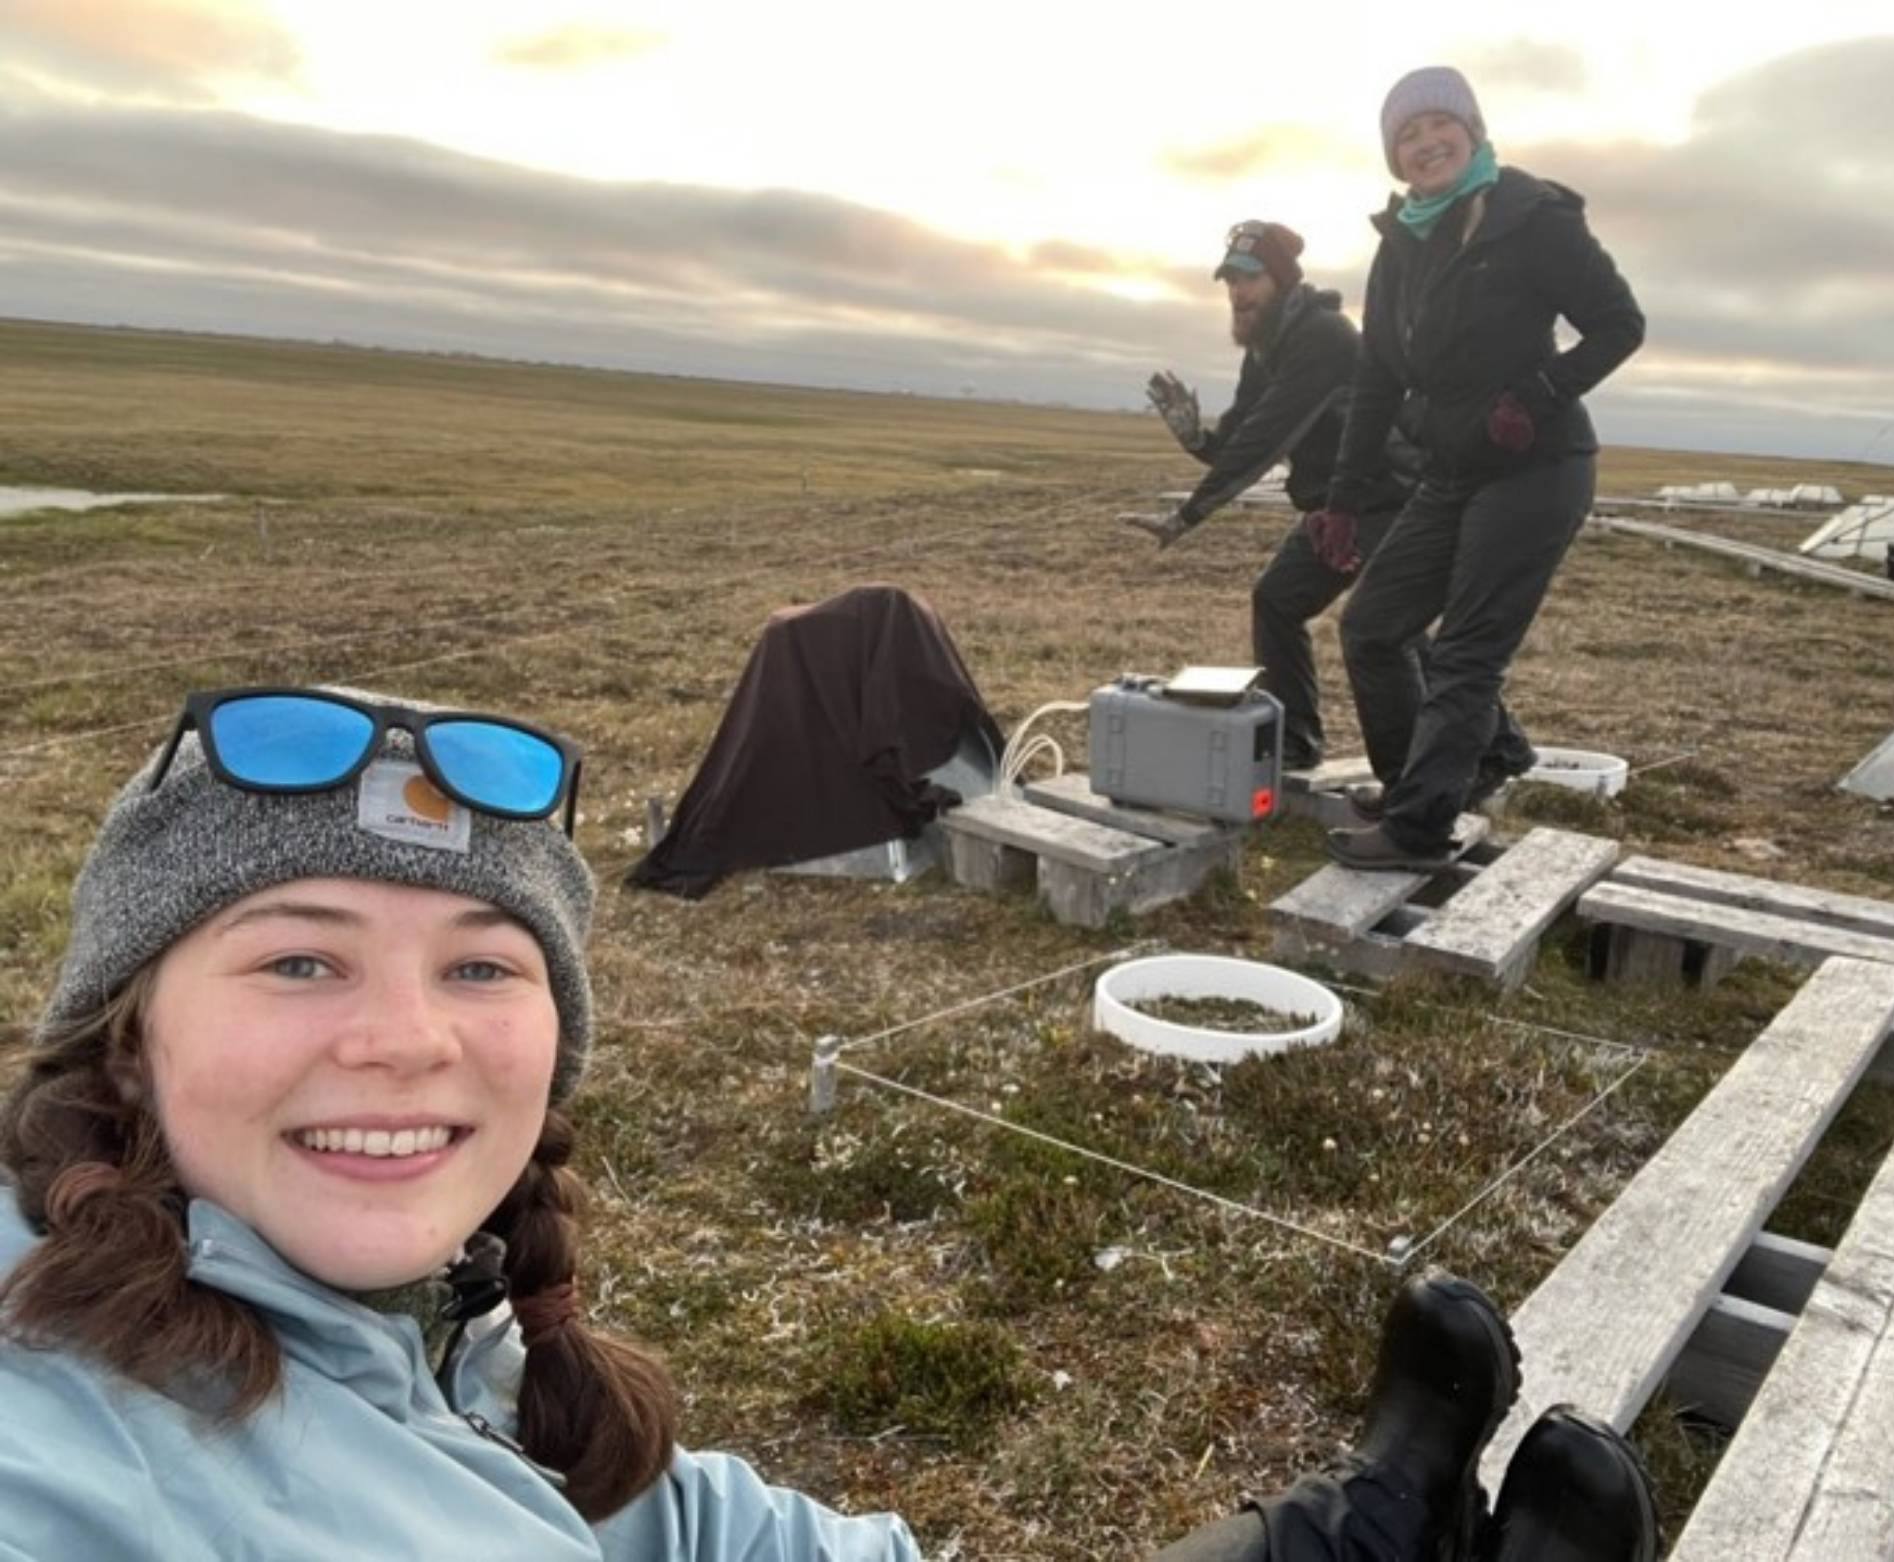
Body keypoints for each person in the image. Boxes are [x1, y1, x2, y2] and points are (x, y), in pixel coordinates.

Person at [0, 685, 1657, 1560]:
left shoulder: (442, 1338)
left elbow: (719, 1536)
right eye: (299, 956)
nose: (405, 1038)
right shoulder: (68, 1447)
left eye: (481, 963)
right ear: (129, 1035)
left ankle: (1353, 1532)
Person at [1318, 66, 1644, 871]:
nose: (1426, 144)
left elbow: (1618, 323)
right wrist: (1342, 500)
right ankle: (1418, 786)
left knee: (1464, 652)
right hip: (1450, 471)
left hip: (1539, 466)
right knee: (1373, 625)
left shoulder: (1534, 217)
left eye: (1440, 128)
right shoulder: (1400, 245)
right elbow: (1376, 379)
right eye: (1407, 136)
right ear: (1394, 155)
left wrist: (1539, 392)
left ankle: (1421, 829)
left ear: (1472, 132)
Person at [1122, 221, 1403, 771]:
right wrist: (1197, 438)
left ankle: (1461, 763)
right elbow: (1236, 440)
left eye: (1250, 278)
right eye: (1230, 280)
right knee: (1277, 600)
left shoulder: (1322, 336)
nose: (1237, 293)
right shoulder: (1268, 346)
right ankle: (1296, 745)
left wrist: (1188, 514)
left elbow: (1263, 438)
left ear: (1281, 280)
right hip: (1334, 509)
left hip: (1390, 498)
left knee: (1389, 634)